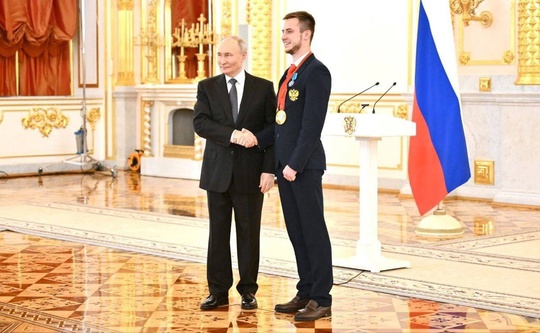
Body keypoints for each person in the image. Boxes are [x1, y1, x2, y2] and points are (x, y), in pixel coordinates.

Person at [193, 36, 276, 311]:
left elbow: (273, 130)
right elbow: (201, 123)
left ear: (243, 55)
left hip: (251, 175)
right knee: (217, 235)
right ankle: (217, 291)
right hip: (217, 174)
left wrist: (268, 170)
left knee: (248, 234)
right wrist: (233, 135)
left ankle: (248, 291)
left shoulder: (263, 88)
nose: (222, 61)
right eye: (219, 56)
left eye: (228, 55)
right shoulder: (206, 87)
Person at [273, 11, 334, 321]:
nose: (284, 36)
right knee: (296, 231)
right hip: (286, 167)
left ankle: (322, 298)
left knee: (313, 231)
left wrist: (294, 164)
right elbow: (280, 123)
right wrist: (276, 166)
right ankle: (306, 289)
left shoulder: (316, 72)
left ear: (306, 35)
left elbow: (311, 126)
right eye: (283, 31)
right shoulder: (289, 74)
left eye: (289, 31)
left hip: (304, 167)